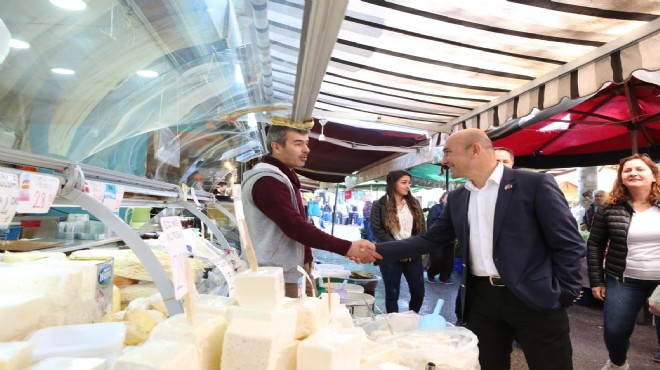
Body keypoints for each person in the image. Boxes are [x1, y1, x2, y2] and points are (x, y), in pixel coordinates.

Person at [376, 128, 585, 370]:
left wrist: (564, 292)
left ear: (475, 150)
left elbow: (569, 243)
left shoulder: (534, 184)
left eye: (448, 152)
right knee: (487, 365)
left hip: (534, 297)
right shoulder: (458, 198)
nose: (443, 161)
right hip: (482, 299)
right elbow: (430, 240)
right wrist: (375, 249)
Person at [241, 124, 381, 298]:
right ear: (276, 146)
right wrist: (346, 247)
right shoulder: (267, 181)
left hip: (293, 269)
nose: (306, 149)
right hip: (276, 275)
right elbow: (295, 227)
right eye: (298, 144)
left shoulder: (283, 176)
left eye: (306, 143)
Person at [586, 153, 660, 370]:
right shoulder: (609, 208)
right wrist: (597, 280)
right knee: (615, 330)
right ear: (621, 177)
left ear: (654, 175)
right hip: (623, 279)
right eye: (627, 170)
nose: (633, 173)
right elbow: (595, 245)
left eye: (640, 169)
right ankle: (618, 363)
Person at [370, 170, 426, 313]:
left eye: (409, 183)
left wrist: (411, 250)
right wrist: (398, 251)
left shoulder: (414, 204)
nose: (408, 186)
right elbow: (378, 231)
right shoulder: (379, 205)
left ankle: (412, 320)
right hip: (390, 256)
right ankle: (394, 327)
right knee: (392, 294)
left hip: (413, 255)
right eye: (404, 182)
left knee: (418, 293)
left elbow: (421, 230)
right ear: (393, 184)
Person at [425, 192, 453, 284]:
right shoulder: (436, 208)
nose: (449, 199)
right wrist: (432, 236)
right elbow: (430, 222)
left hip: (450, 239)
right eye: (447, 197)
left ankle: (444, 277)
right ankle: (431, 274)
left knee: (449, 260)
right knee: (437, 258)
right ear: (442, 198)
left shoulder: (454, 209)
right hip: (436, 239)